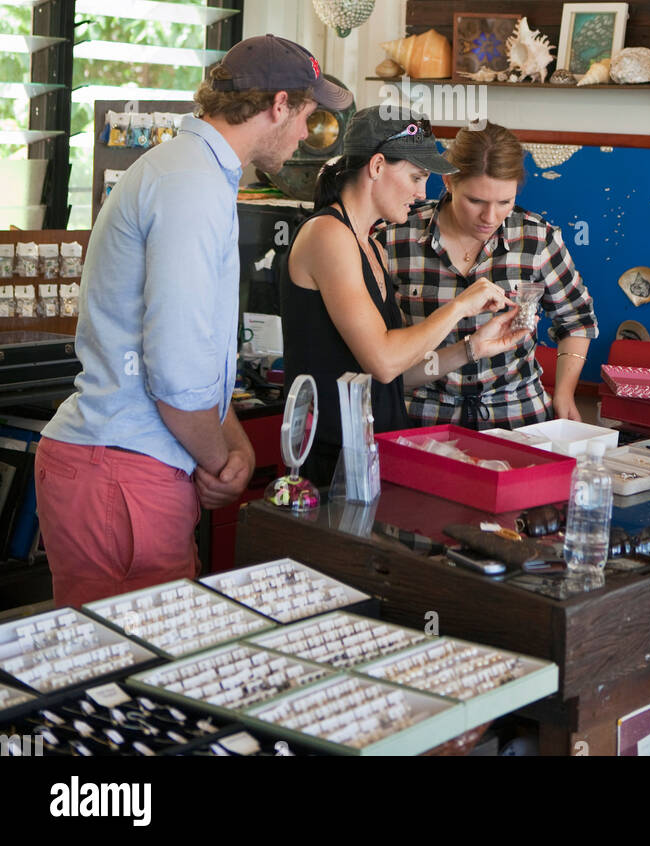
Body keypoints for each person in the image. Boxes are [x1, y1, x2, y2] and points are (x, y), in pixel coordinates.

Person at [35, 35, 350, 608]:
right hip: (124, 468)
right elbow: (177, 374)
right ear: (279, 105)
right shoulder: (191, 185)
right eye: (307, 114)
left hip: (129, 464)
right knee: (128, 679)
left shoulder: (196, 172)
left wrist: (235, 447)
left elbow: (200, 357)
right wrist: (222, 462)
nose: (307, 132)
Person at [281, 108, 528, 485]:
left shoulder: (373, 248)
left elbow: (396, 376)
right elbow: (382, 360)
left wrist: (473, 348)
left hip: (373, 454)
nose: (420, 193)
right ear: (377, 166)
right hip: (331, 460)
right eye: (415, 176)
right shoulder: (327, 235)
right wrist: (459, 307)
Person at [377, 122, 598, 429]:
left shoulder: (537, 239)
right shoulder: (394, 238)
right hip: (421, 418)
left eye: (504, 202)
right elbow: (375, 348)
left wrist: (564, 392)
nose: (490, 217)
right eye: (476, 201)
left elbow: (577, 320)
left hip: (518, 418)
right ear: (449, 181)